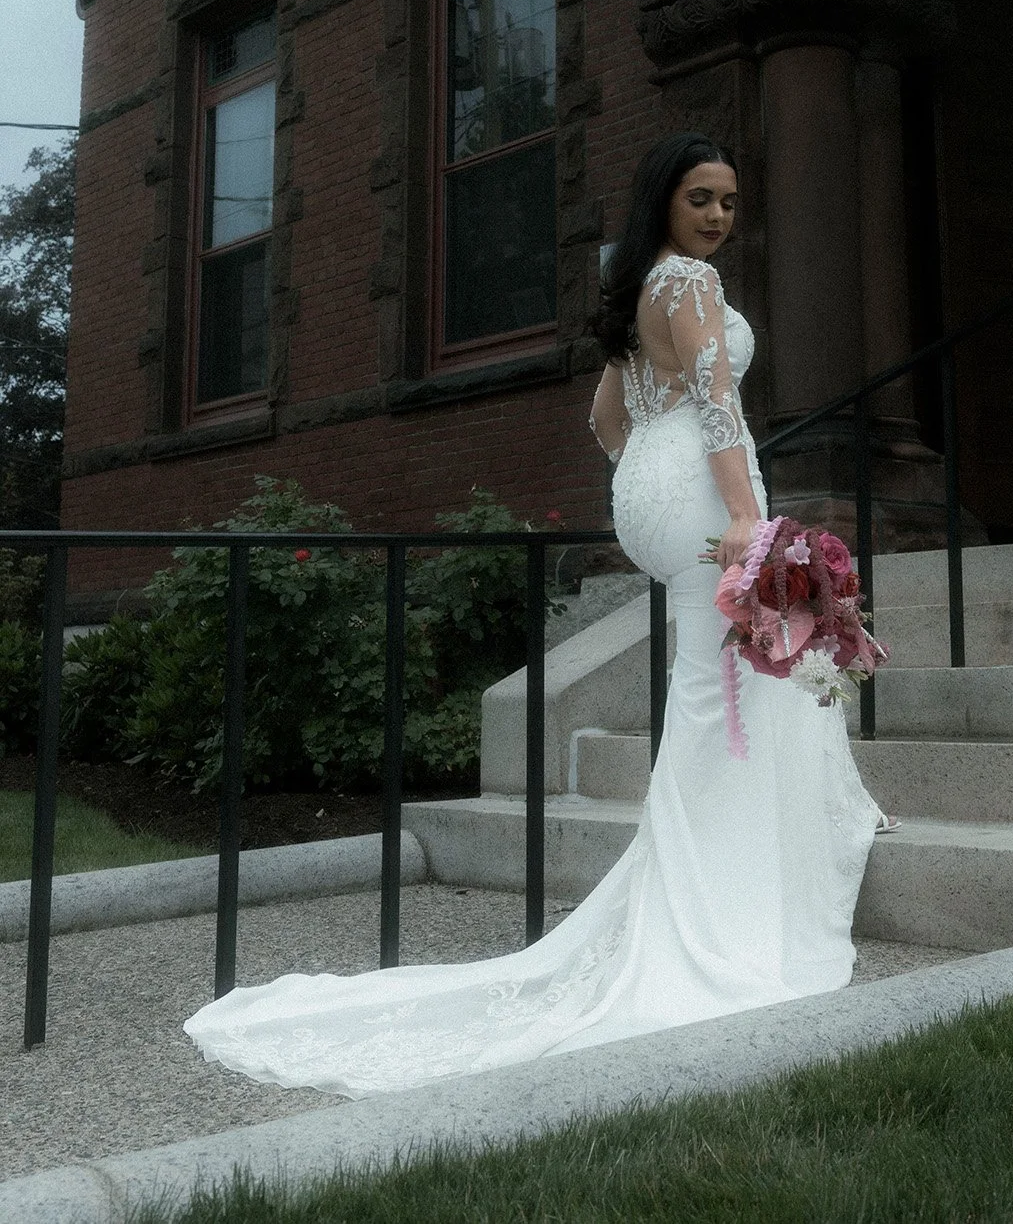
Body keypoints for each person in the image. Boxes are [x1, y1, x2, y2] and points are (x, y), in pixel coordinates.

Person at [183, 133, 882, 1097]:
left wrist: (649, 484)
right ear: (665, 200)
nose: (719, 215)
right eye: (701, 198)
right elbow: (719, 405)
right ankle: (722, 916)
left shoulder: (637, 286)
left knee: (712, 687)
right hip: (707, 496)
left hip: (651, 491)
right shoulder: (691, 286)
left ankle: (703, 890)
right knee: (729, 695)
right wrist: (749, 522)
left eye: (728, 200)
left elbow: (606, 421)